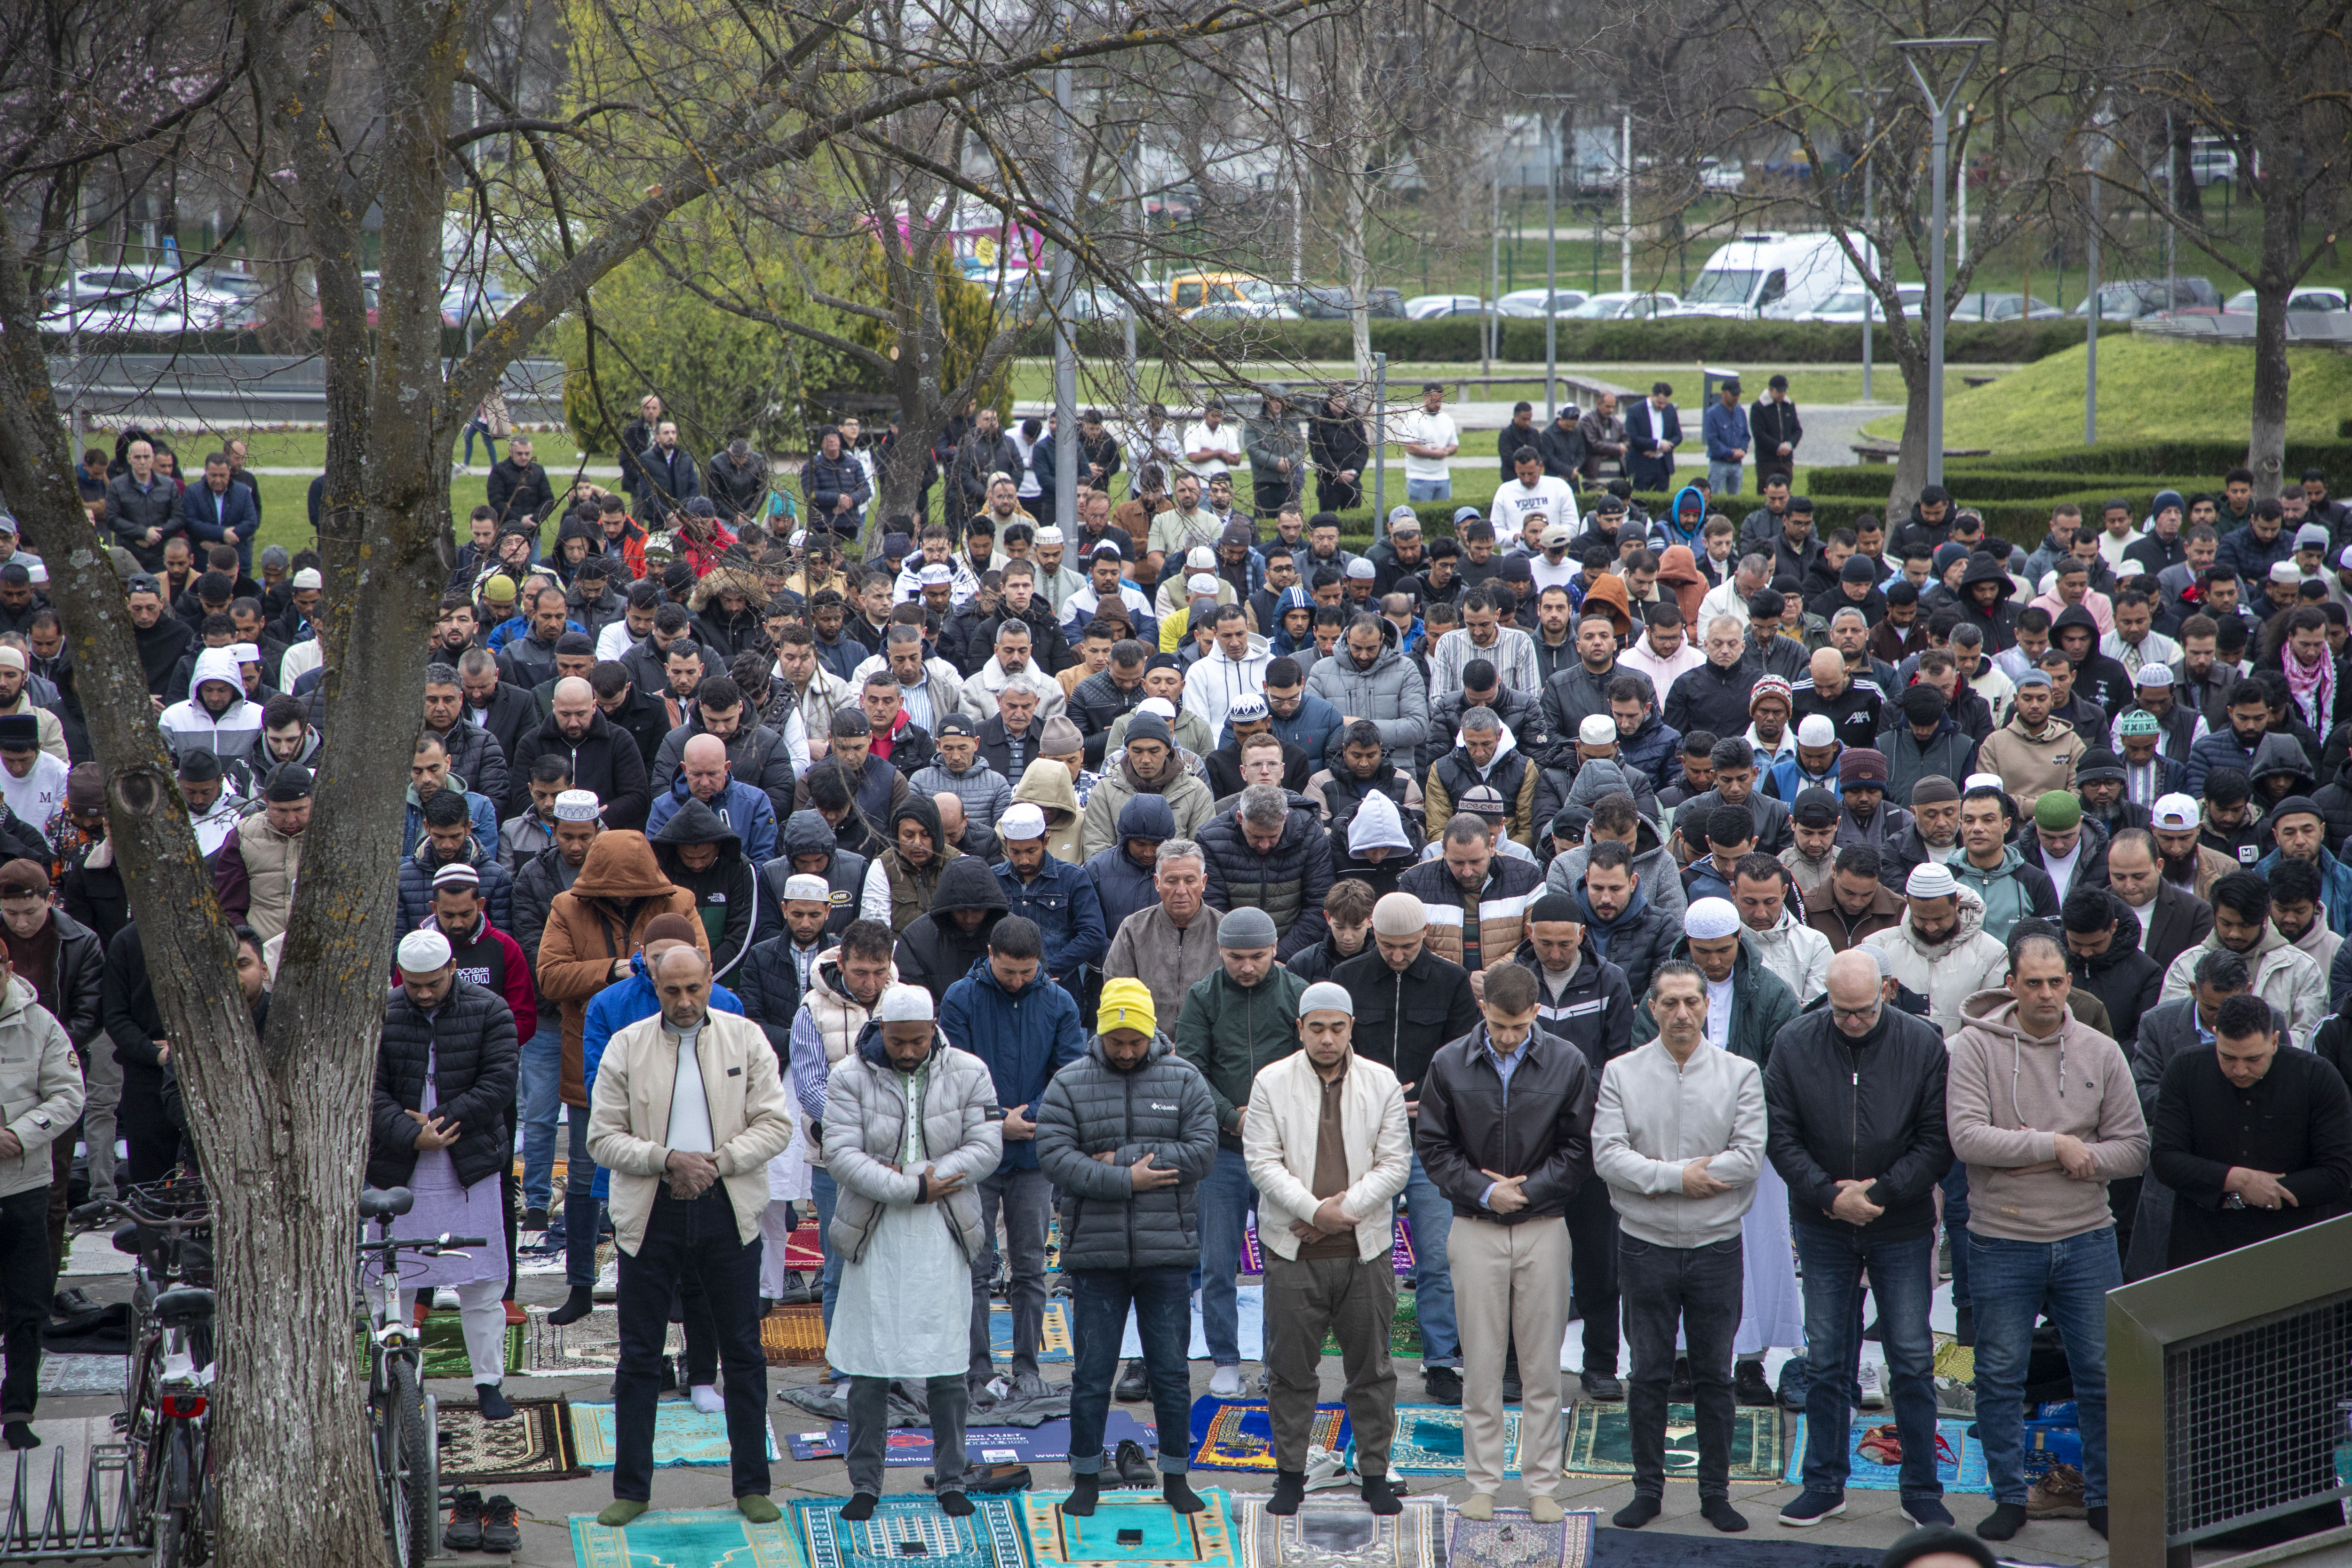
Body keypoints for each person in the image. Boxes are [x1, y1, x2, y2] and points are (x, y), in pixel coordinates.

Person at [1947, 930, 2146, 1542]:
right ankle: (2009, 1494)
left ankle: (2106, 1495)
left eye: (2057, 982)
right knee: (2000, 1373)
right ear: (2009, 984)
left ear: (2070, 982)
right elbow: (1969, 1140)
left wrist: (2042, 1152)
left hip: (2087, 1238)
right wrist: (2059, 1145)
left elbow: (2135, 1149)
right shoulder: (1973, 1047)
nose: (2046, 994)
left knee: (2101, 1373)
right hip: (2002, 1238)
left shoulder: (2100, 1050)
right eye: (2033, 983)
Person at [587, 945, 792, 1527]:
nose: (684, 1002)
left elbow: (774, 1124)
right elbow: (601, 1138)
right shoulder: (628, 1046)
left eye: (693, 989)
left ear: (710, 981)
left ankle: (752, 1483)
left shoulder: (745, 1037)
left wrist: (716, 1164)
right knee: (640, 1355)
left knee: (743, 1351)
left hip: (728, 1206)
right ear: (653, 986)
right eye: (671, 991)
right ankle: (632, 1489)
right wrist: (667, 1159)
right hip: (651, 1211)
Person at [1766, 949, 1955, 1528]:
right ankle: (1824, 1483)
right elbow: (1779, 1134)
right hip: (1822, 1225)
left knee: (1911, 1358)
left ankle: (1921, 1489)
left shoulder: (1922, 1044)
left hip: (1898, 1224)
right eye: (1839, 1011)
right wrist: (1829, 1196)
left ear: (1888, 991)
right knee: (1825, 1360)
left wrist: (1877, 1194)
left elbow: (1935, 1142)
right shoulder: (1795, 1042)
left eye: (1862, 1012)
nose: (1850, 1022)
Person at [1414, 963, 1595, 1522]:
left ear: (1535, 1013)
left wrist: (1529, 1192)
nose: (1509, 1037)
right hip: (1475, 1227)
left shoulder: (1568, 1062)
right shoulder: (1447, 1063)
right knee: (1482, 1364)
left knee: (1542, 1364)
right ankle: (1483, 1484)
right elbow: (1432, 1145)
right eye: (1498, 1027)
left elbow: (1579, 1146)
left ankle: (1541, 1483)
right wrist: (1482, 1192)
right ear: (1483, 1012)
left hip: (1543, 1226)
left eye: (1518, 1027)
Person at [1032, 978, 1218, 1515]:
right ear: (1102, 1034)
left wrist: (1120, 1159)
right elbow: (1054, 1156)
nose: (1129, 1052)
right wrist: (1127, 1180)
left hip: (1167, 1255)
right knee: (1091, 1375)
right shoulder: (1069, 1083)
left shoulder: (1184, 1079)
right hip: (1096, 1256)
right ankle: (1085, 1476)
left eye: (1136, 1041)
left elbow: (1202, 1153)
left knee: (1170, 1374)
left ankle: (1176, 1477)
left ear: (1151, 1031)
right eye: (1118, 1043)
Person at [1594, 958, 1765, 1533]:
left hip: (1716, 1245)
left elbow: (1748, 1157)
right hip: (1644, 1246)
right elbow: (1608, 1157)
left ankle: (1715, 1492)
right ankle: (1647, 1489)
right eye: (1669, 1002)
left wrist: (1678, 1175)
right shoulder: (1620, 1073)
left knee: (1715, 1374)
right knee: (1646, 1373)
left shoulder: (1739, 1074)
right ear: (1651, 1008)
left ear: (1707, 1005)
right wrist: (1677, 1179)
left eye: (1691, 1001)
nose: (1682, 1013)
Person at [819, 983, 1001, 1521]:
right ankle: (865, 1484)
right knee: (869, 1365)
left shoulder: (968, 1070)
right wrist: (910, 1190)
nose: (906, 1052)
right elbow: (839, 1154)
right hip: (876, 1233)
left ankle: (951, 1478)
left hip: (942, 1232)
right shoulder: (848, 1076)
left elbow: (987, 1147)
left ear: (933, 1032)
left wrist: (926, 1177)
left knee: (946, 1363)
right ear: (880, 1032)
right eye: (897, 1041)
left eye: (917, 1042)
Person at [1243, 981, 1411, 1513]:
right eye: (1316, 1028)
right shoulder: (1271, 1082)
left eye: (1336, 1028)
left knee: (1373, 1370)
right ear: (1299, 1030)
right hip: (1294, 1250)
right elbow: (1262, 1163)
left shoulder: (1380, 1082)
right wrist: (1316, 1213)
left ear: (1351, 1028)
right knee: (1290, 1370)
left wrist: (1340, 1213)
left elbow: (1394, 1164)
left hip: (1363, 1251)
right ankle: (1290, 1474)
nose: (1326, 1038)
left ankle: (1374, 1473)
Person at [373, 930, 521, 1419]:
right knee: (392, 1278)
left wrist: (442, 1123)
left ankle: (488, 1381)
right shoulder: (382, 1010)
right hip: (399, 1161)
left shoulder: (490, 1009)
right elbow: (367, 1089)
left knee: (481, 1282)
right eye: (413, 985)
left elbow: (499, 1082)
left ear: (453, 968)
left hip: (469, 1158)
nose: (422, 994)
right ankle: (393, 1380)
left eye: (432, 984)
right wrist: (410, 1135)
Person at [942, 917, 1085, 1397]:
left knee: (1029, 1265)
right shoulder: (961, 997)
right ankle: (976, 1370)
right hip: (977, 1152)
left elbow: (1068, 1073)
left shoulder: (1059, 1002)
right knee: (974, 1265)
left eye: (1027, 972)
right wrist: (996, 1119)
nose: (1018, 981)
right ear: (989, 955)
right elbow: (953, 1072)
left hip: (1032, 1154)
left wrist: (1033, 1117)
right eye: (1008, 972)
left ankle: (1028, 1368)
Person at [1173, 905, 1304, 1391]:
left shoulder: (1297, 994)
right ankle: (1224, 1361)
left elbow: (1311, 1064)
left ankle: (1277, 1362)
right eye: (1235, 958)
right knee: (1216, 1264)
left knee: (1283, 1266)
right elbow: (1189, 1069)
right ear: (1219, 952)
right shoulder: (1202, 997)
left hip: (1282, 1154)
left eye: (1257, 957)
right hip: (1222, 1153)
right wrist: (1233, 1116)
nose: (1246, 967)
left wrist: (1269, 1118)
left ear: (1274, 951)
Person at [2150, 992, 2352, 1268]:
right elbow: (2165, 1159)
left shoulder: (2316, 1077)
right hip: (2203, 1242)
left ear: (2275, 1041)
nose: (2240, 1070)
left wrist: (2269, 1191)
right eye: (2228, 1057)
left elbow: (2338, 1173)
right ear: (2215, 1034)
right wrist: (2241, 1181)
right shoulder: (2186, 1069)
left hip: (2294, 1244)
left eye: (2253, 1059)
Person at [0, 929, 79, 1450]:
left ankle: (18, 1408)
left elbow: (69, 1095)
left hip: (22, 1184)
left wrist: (20, 1135)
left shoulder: (39, 1023)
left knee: (29, 1305)